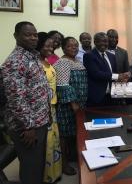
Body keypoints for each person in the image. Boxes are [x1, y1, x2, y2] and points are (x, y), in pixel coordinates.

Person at [0, 21, 50, 184]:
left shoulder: (32, 55)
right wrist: (28, 126)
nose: (33, 38)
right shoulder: (15, 61)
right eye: (27, 34)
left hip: (38, 121)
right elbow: (16, 98)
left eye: (35, 34)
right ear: (16, 36)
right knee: (31, 170)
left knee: (36, 166)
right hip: (27, 127)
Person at [53, 37, 88, 175]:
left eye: (76, 46)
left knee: (75, 134)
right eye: (70, 46)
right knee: (65, 136)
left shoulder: (77, 61)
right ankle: (64, 164)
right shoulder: (62, 62)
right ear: (63, 48)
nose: (74, 48)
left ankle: (74, 157)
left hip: (80, 104)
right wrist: (73, 104)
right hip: (68, 106)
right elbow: (63, 85)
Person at [36, 32, 62, 183]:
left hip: (52, 107)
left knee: (54, 142)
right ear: (39, 45)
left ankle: (54, 174)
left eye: (51, 46)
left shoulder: (46, 61)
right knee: (47, 145)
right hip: (43, 110)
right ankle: (47, 177)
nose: (50, 48)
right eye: (46, 45)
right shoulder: (36, 64)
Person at [83, 32, 129, 106]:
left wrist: (123, 78)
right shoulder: (89, 55)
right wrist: (118, 76)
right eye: (100, 41)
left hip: (112, 96)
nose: (103, 44)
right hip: (97, 97)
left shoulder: (111, 56)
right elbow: (96, 74)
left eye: (105, 41)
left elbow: (114, 73)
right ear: (95, 42)